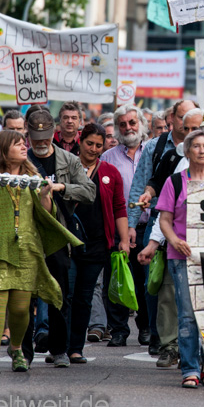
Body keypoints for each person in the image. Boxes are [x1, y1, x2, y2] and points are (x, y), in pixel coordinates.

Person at [0, 129, 81, 374]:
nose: (25, 147)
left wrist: (45, 195)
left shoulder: (33, 177)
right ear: (4, 151)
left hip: (25, 250)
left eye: (23, 143)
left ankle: (16, 348)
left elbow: (46, 213)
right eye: (17, 144)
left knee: (20, 308)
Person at [137, 128, 204, 388]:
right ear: (187, 151)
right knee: (186, 314)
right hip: (181, 256)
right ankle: (190, 369)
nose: (201, 150)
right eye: (196, 146)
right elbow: (164, 219)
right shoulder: (174, 182)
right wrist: (173, 240)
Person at [125, 99, 199, 360]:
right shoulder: (169, 155)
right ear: (173, 120)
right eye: (186, 127)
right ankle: (164, 341)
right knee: (159, 286)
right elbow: (153, 187)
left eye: (197, 129)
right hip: (168, 232)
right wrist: (138, 224)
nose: (191, 135)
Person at [24, 108, 95, 367]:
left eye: (45, 139)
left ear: (53, 133)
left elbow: (89, 192)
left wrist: (62, 187)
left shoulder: (69, 160)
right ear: (28, 135)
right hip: (27, 235)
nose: (41, 144)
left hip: (58, 233)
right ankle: (24, 352)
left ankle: (59, 349)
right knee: (24, 296)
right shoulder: (21, 158)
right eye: (36, 139)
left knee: (59, 293)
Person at [69, 123, 129, 364]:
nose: (93, 149)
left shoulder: (110, 172)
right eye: (89, 144)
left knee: (84, 297)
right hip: (67, 242)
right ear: (80, 141)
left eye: (98, 145)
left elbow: (119, 207)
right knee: (66, 294)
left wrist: (124, 240)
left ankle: (75, 348)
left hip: (97, 244)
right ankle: (59, 346)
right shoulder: (68, 167)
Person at [99, 105, 148, 347]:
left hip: (146, 228)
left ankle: (146, 328)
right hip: (117, 229)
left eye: (132, 122)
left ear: (141, 124)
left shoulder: (151, 152)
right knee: (117, 278)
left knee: (144, 282)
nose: (128, 128)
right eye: (123, 124)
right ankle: (118, 330)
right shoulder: (108, 158)